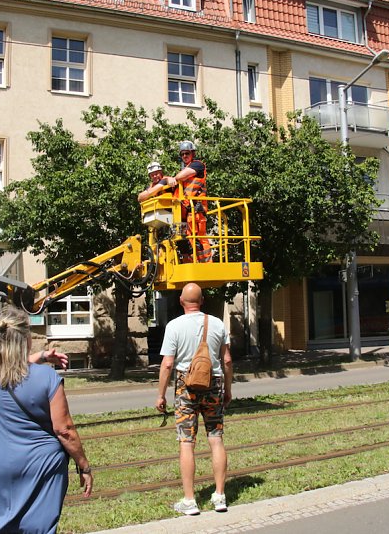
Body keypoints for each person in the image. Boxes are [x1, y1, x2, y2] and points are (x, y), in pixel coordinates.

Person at [0, 307, 93, 534]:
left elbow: (13, 371)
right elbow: (64, 430)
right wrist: (84, 465)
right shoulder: (47, 378)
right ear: (25, 339)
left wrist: (41, 357)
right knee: (35, 527)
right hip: (39, 468)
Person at [155, 283, 233, 515]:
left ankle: (190, 501)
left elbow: (168, 363)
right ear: (202, 300)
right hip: (213, 384)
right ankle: (220, 496)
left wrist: (160, 394)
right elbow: (227, 360)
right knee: (216, 438)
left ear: (181, 301)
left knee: (186, 443)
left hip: (185, 388)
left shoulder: (174, 326)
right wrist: (227, 389)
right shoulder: (218, 323)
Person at [163, 141, 212, 262]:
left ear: (193, 153)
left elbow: (179, 177)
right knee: (186, 239)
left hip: (197, 209)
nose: (184, 156)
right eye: (182, 154)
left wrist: (172, 178)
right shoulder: (185, 169)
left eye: (187, 153)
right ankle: (193, 263)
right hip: (187, 211)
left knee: (200, 238)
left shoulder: (197, 165)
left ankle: (208, 264)